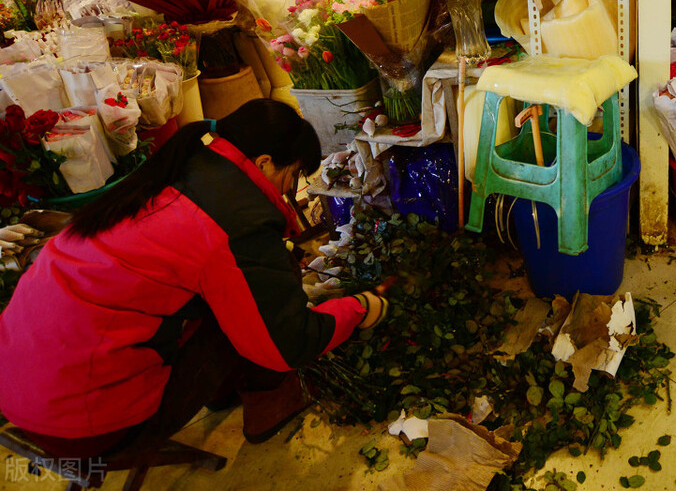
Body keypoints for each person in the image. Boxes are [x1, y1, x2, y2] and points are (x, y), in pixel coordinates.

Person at [0, 99, 388, 459]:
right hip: (84, 428)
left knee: (233, 294)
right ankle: (268, 404)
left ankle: (218, 390)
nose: (291, 190)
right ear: (265, 162)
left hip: (18, 395)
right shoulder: (235, 219)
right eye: (294, 175)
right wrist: (358, 307)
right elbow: (286, 344)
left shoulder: (179, 170)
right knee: (249, 317)